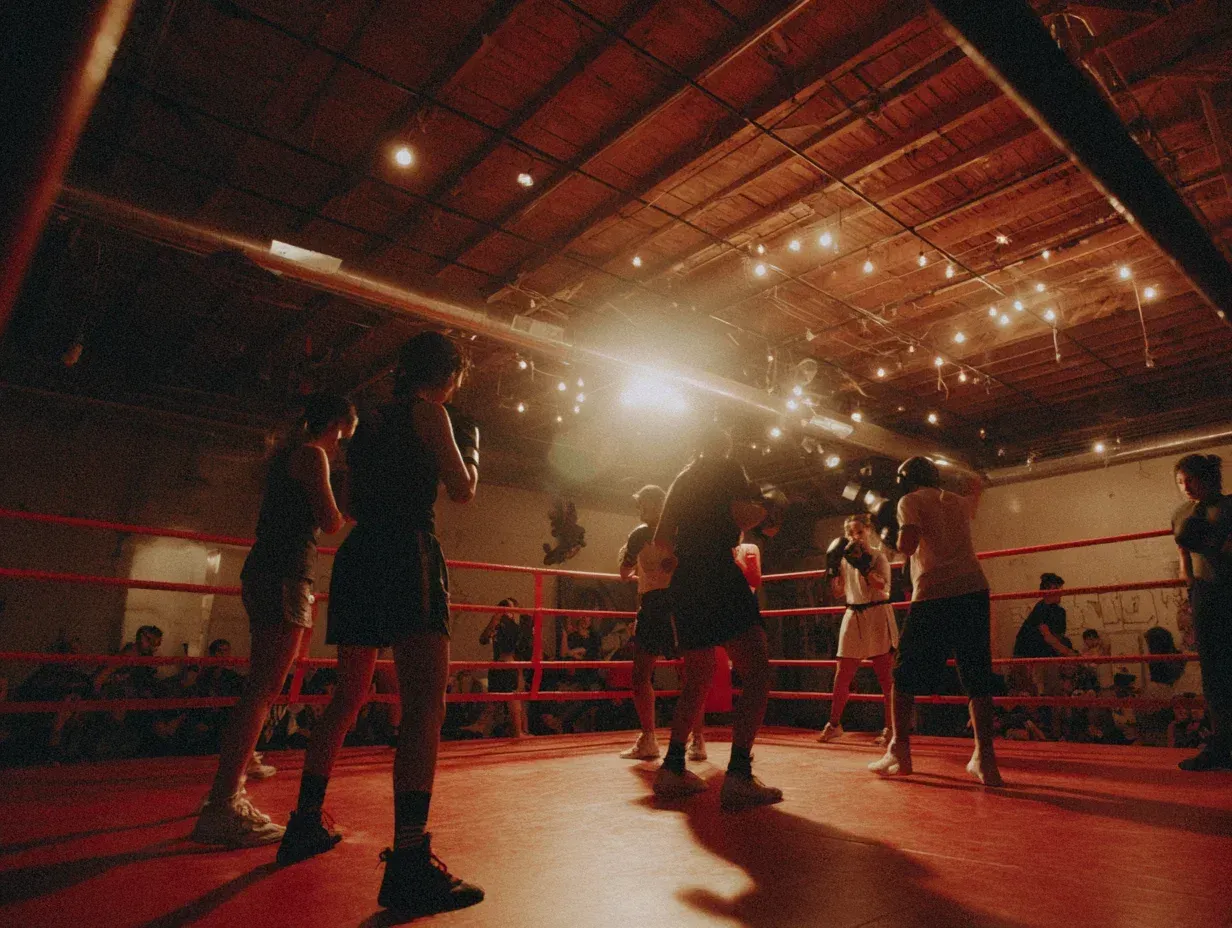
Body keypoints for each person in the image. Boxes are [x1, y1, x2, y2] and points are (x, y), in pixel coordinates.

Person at [277, 331, 484, 917]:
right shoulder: (431, 411)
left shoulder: (367, 422)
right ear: (449, 375)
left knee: (350, 694)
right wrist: (463, 448)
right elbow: (463, 490)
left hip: (361, 554)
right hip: (407, 550)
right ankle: (411, 863)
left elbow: (346, 504)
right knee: (424, 704)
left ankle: (303, 822)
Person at [190, 393, 356, 847]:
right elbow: (330, 522)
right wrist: (358, 494)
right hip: (284, 572)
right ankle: (223, 801)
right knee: (263, 687)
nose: (343, 445)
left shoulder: (296, 453)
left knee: (265, 685)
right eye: (345, 435)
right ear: (338, 424)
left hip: (276, 570)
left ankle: (236, 775)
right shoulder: (312, 454)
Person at [651, 425, 781, 810]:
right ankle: (739, 774)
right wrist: (766, 510)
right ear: (724, 448)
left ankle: (672, 767)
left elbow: (661, 538)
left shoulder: (682, 476)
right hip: (718, 575)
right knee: (757, 670)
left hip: (686, 580)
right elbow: (744, 515)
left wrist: (683, 556)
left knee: (699, 676)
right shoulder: (727, 468)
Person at [869, 457, 1003, 787]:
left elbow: (908, 544)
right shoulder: (957, 501)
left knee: (903, 675)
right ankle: (985, 760)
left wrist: (887, 537)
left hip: (934, 592)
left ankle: (900, 750)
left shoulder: (909, 501)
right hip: (973, 588)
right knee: (976, 675)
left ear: (905, 481)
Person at [617, 485, 705, 761]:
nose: (641, 510)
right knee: (690, 676)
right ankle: (698, 740)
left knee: (642, 674)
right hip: (682, 603)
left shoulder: (641, 534)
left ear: (656, 505)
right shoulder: (683, 531)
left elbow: (623, 573)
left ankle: (650, 739)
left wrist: (629, 558)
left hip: (656, 604)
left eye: (644, 504)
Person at [1171, 453, 1232, 771]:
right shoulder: (1181, 513)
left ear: (1207, 477)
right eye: (1180, 482)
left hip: (1229, 590)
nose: (1186, 487)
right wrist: (1191, 592)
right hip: (1204, 597)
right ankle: (1221, 747)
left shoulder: (1229, 506)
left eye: (1190, 479)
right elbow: (1184, 557)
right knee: (1213, 676)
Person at [817, 514, 898, 744]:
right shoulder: (844, 558)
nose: (855, 537)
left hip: (877, 612)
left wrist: (863, 566)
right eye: (850, 533)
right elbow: (838, 592)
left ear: (869, 532)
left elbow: (883, 585)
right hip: (852, 614)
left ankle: (891, 729)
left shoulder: (878, 556)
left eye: (859, 532)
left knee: (885, 678)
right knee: (842, 674)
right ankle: (834, 725)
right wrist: (832, 571)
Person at [464, 598, 532, 738]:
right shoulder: (500, 626)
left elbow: (520, 647)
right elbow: (483, 640)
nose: (505, 611)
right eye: (503, 608)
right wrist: (495, 620)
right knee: (506, 700)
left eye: (508, 608)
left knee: (509, 700)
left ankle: (516, 731)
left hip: (506, 666)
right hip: (501, 666)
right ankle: (483, 727)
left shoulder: (515, 626)